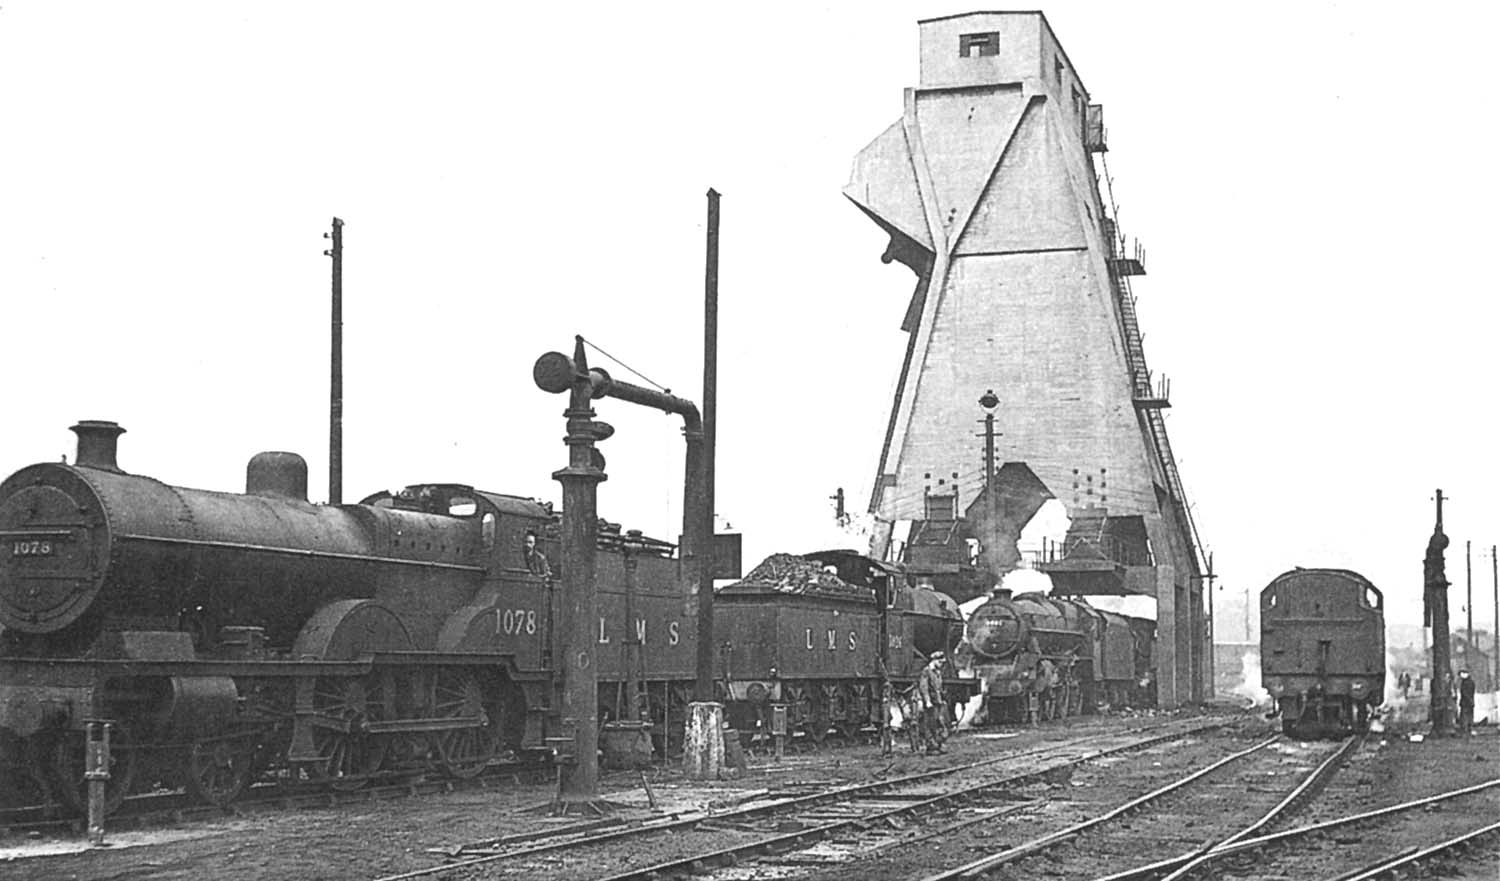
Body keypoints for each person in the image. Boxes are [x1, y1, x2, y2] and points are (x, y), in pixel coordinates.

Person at [916, 651, 947, 755]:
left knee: (939, 722)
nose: (941, 664)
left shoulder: (937, 672)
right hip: (931, 703)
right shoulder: (927, 671)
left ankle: (938, 744)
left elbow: (939, 688)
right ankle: (931, 747)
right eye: (940, 662)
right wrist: (927, 701)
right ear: (934, 661)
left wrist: (942, 699)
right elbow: (923, 687)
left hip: (937, 702)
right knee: (930, 725)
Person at [1458, 669, 1476, 736]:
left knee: (1465, 716)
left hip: (1466, 702)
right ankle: (1469, 729)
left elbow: (1465, 693)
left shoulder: (1466, 682)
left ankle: (1465, 729)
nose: (1460, 676)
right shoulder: (1469, 682)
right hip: (1469, 702)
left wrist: (1469, 700)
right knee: (1469, 716)